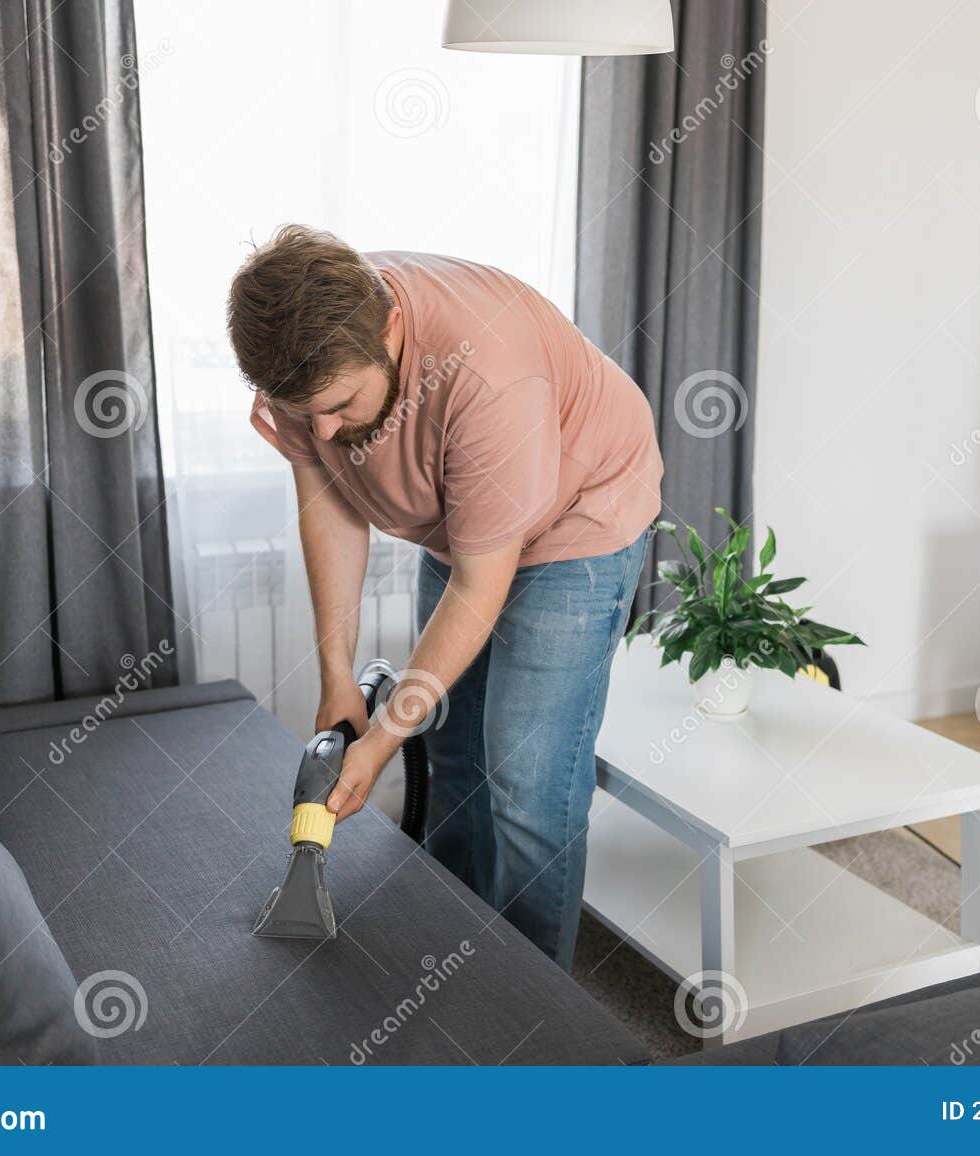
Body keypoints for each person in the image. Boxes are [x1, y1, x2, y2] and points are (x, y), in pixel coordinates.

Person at [227, 225, 663, 967]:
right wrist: (337, 673)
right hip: (469, 525)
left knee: (525, 787)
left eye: (340, 405)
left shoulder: (488, 374)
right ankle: (455, 960)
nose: (326, 430)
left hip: (579, 518)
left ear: (391, 331)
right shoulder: (309, 361)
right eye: (308, 415)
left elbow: (477, 587)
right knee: (455, 754)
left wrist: (383, 740)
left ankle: (531, 1013)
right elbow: (331, 504)